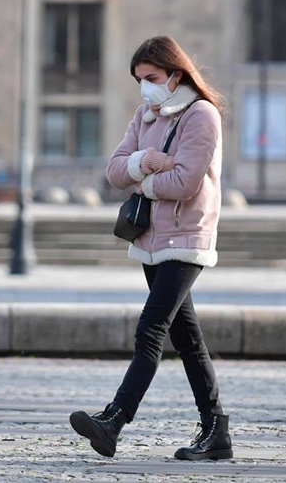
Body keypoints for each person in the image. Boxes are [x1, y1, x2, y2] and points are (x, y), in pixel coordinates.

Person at [69, 36, 232, 461]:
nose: (145, 88)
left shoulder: (202, 116)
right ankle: (217, 431)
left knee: (151, 328)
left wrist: (140, 175)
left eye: (152, 78)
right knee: (187, 338)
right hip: (150, 238)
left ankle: (114, 420)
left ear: (176, 75)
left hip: (187, 236)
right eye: (140, 80)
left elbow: (186, 182)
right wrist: (145, 162)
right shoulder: (145, 115)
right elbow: (113, 171)